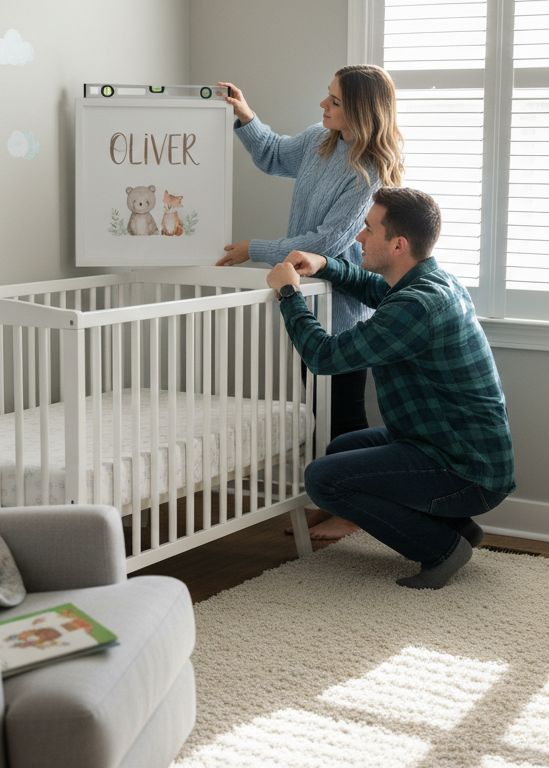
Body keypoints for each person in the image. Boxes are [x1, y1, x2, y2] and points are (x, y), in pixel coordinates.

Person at [266, 187, 515, 589]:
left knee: (323, 478)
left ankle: (440, 548)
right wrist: (325, 263)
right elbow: (371, 288)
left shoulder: (416, 306)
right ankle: (458, 529)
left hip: (464, 468)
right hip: (453, 448)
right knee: (342, 450)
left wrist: (289, 293)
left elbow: (324, 357)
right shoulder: (430, 282)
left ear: (398, 244)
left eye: (368, 229)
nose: (359, 238)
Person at [216, 66, 404, 541]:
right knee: (315, 409)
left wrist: (252, 248)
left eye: (334, 101)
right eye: (327, 96)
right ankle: (331, 497)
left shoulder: (368, 173)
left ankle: (354, 510)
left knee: (342, 411)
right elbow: (273, 155)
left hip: (341, 306)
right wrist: (244, 115)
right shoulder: (321, 143)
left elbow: (329, 242)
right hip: (307, 297)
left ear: (360, 111)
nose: (324, 105)